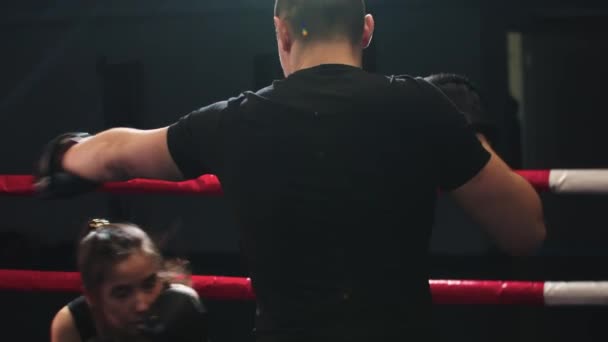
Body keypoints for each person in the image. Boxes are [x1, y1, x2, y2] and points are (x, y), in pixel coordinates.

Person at [37, 0, 546, 341]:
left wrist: (66, 154)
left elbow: (122, 152)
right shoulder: (421, 106)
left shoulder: (233, 121)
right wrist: (471, 136)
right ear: (366, 30)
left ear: (281, 31)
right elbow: (526, 231)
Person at [50, 219, 208, 342]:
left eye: (149, 285)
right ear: (93, 297)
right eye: (122, 293)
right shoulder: (73, 324)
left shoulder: (180, 308)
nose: (142, 305)